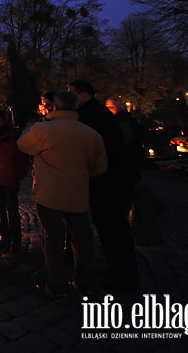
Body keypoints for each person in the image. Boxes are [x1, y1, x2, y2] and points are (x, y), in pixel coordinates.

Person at [17, 91, 108, 299]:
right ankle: (84, 281)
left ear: (54, 107)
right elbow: (100, 167)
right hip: (78, 194)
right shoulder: (91, 134)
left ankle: (56, 284)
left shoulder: (42, 130)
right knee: (82, 239)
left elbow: (22, 145)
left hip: (49, 195)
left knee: (52, 239)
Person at [68, 79, 140, 293]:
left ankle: (123, 278)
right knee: (113, 231)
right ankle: (120, 272)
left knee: (113, 230)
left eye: (72, 94)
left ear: (82, 95)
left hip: (108, 183)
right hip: (112, 181)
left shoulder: (93, 116)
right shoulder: (97, 113)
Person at [0, 109, 28, 253]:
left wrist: (19, 173)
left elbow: (22, 158)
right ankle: (3, 236)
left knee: (12, 210)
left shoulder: (14, 136)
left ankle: (16, 239)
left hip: (10, 177)